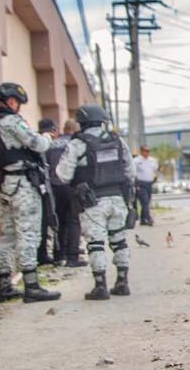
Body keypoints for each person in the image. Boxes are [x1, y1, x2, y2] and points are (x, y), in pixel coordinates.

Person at [0, 82, 61, 303]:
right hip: (21, 184)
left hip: (0, 183)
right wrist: (47, 136)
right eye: (18, 103)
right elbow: (38, 144)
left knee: (8, 235)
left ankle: (4, 285)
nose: (18, 107)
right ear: (12, 101)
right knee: (28, 233)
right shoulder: (11, 121)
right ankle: (32, 286)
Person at [56, 104, 136, 300]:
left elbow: (63, 175)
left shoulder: (77, 144)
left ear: (81, 122)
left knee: (96, 243)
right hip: (118, 199)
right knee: (119, 240)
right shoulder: (117, 141)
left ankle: (100, 286)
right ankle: (123, 282)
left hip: (92, 201)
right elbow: (130, 171)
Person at [48, 118, 86, 267]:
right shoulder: (75, 144)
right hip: (71, 185)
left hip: (55, 186)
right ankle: (72, 256)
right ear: (76, 129)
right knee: (74, 220)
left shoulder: (52, 144)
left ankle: (59, 254)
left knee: (60, 220)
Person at [35, 118, 60, 265]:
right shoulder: (45, 143)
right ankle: (42, 254)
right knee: (44, 221)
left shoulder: (37, 142)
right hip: (44, 187)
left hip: (42, 186)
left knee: (45, 221)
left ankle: (43, 253)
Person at [133, 144, 158, 225]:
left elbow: (155, 170)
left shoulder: (152, 160)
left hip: (149, 183)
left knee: (147, 202)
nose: (147, 153)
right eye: (145, 151)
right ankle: (148, 218)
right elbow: (133, 173)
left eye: (148, 151)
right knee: (145, 201)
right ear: (142, 151)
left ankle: (143, 220)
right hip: (140, 184)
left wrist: (155, 179)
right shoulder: (136, 161)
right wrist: (136, 184)